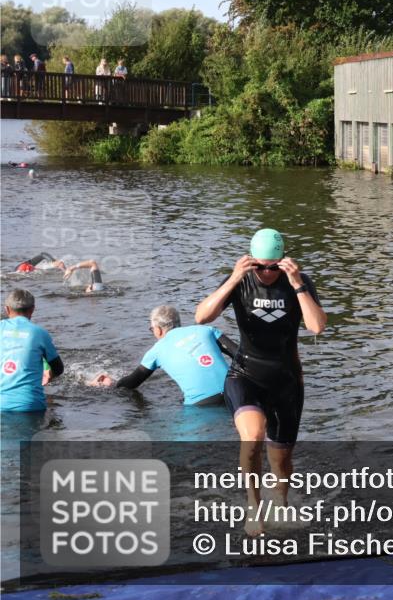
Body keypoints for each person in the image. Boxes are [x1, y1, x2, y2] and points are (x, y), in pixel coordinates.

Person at [195, 228, 326, 535]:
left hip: (286, 381)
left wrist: (296, 284)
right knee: (252, 436)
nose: (267, 273)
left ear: (283, 261)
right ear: (251, 261)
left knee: (281, 462)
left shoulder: (300, 282)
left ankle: (280, 502)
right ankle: (254, 509)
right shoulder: (240, 281)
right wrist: (233, 278)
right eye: (260, 266)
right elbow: (202, 317)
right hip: (246, 375)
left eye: (273, 266)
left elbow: (317, 327)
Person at [89, 305, 235, 406]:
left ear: (158, 330)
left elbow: (132, 383)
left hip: (201, 404)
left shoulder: (156, 351)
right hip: (235, 392)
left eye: (151, 329)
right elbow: (240, 354)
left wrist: (111, 384)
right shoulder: (205, 330)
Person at [1, 289, 64, 412]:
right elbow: (58, 369)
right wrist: (49, 374)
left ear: (7, 309)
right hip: (30, 406)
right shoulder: (39, 333)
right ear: (32, 309)